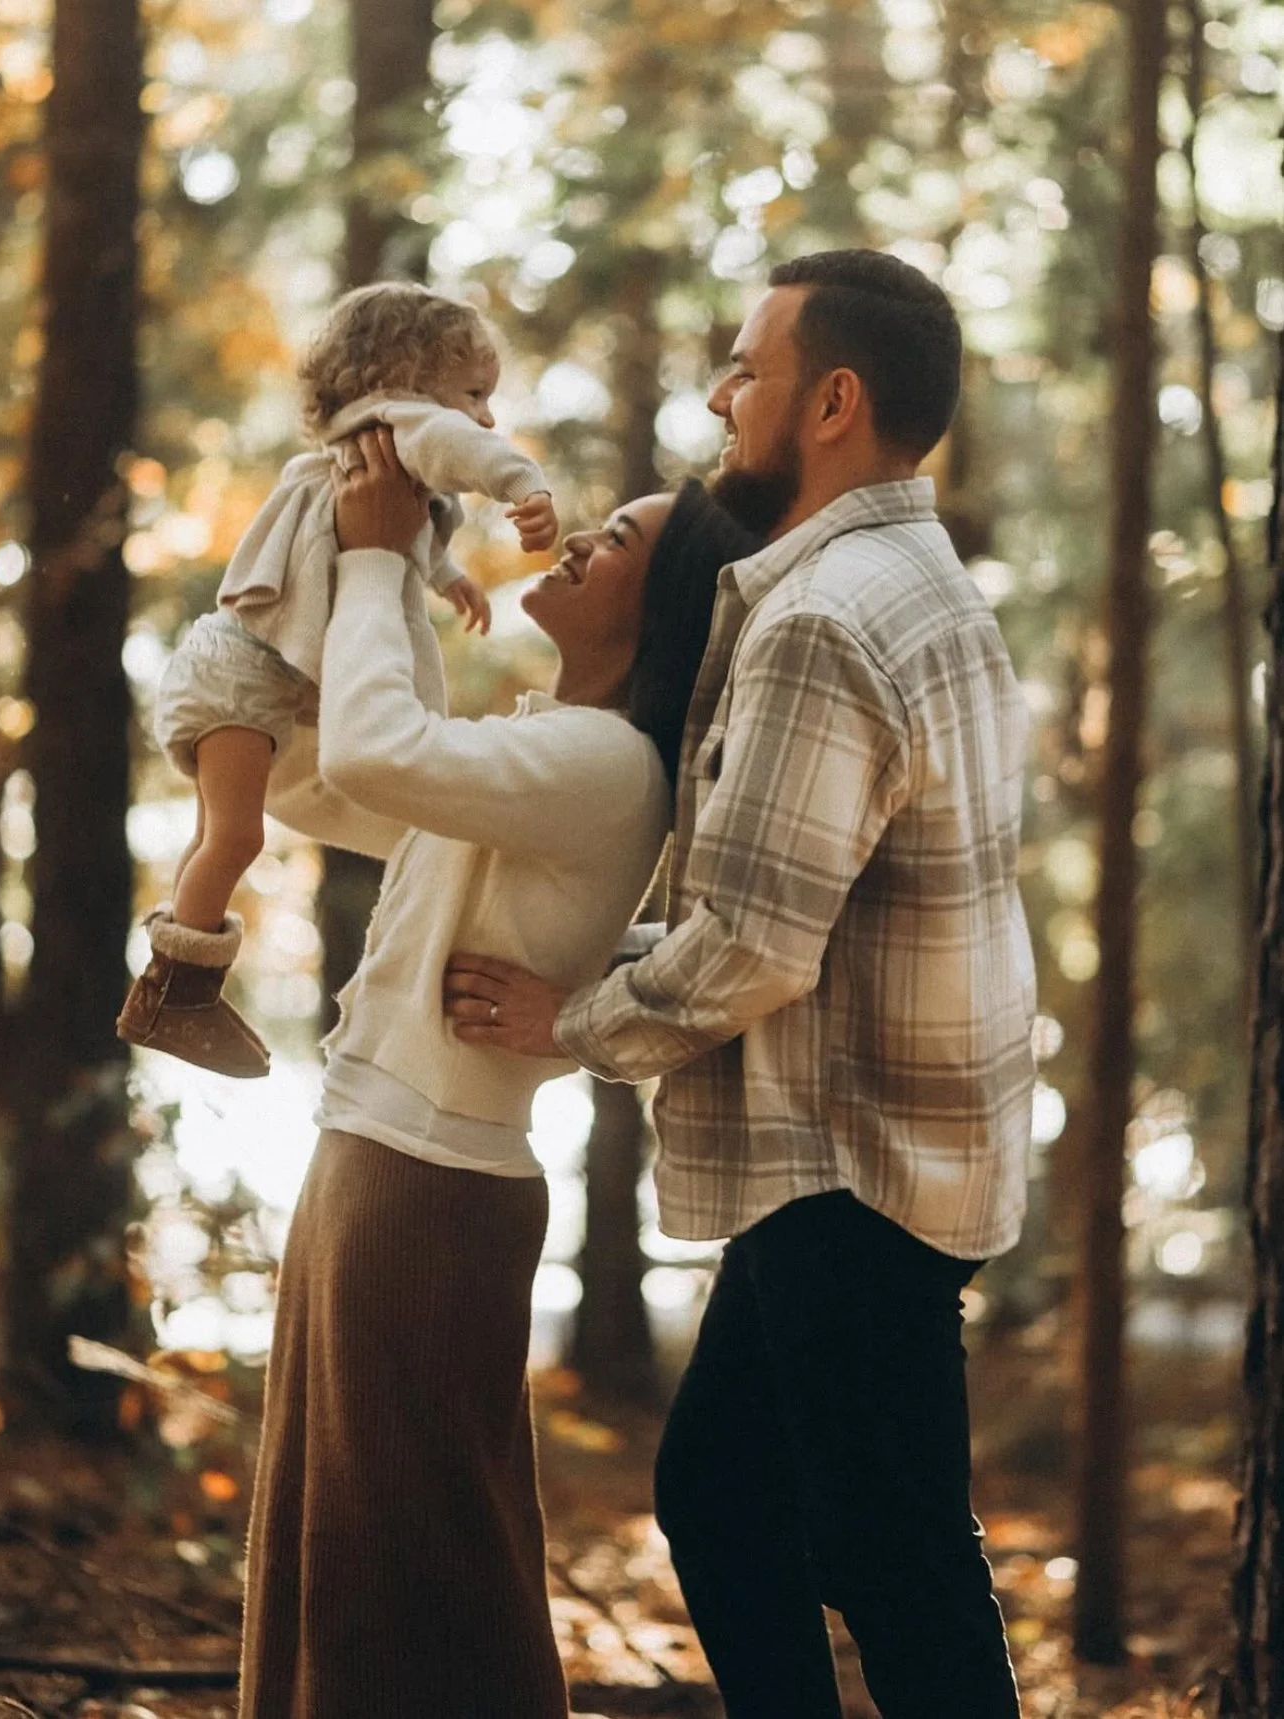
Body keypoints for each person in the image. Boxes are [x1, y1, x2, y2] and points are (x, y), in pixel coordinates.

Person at [443, 248, 1037, 1719]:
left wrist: (567, 1019)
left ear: (832, 400)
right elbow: (800, 921)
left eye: (747, 371)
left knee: (884, 1552)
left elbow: (757, 942)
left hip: (854, 1161)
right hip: (879, 1141)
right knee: (727, 1500)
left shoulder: (823, 618)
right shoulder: (916, 582)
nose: (719, 395)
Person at [237, 433, 762, 1719]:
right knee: (337, 1545)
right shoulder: (547, 752)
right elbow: (322, 779)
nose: (582, 542)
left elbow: (374, 756)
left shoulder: (603, 769)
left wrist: (371, 564)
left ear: (664, 606)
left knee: (419, 1561)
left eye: (621, 542)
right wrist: (348, 560)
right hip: (377, 1163)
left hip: (428, 1190)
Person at [118, 283, 557, 1078]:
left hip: (233, 672)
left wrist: (447, 574)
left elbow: (386, 528)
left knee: (213, 838)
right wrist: (525, 486)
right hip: (243, 677)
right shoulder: (403, 426)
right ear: (406, 384)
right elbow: (465, 451)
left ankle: (170, 988)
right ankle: (179, 998)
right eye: (473, 395)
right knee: (236, 837)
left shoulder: (352, 453)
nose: (484, 417)